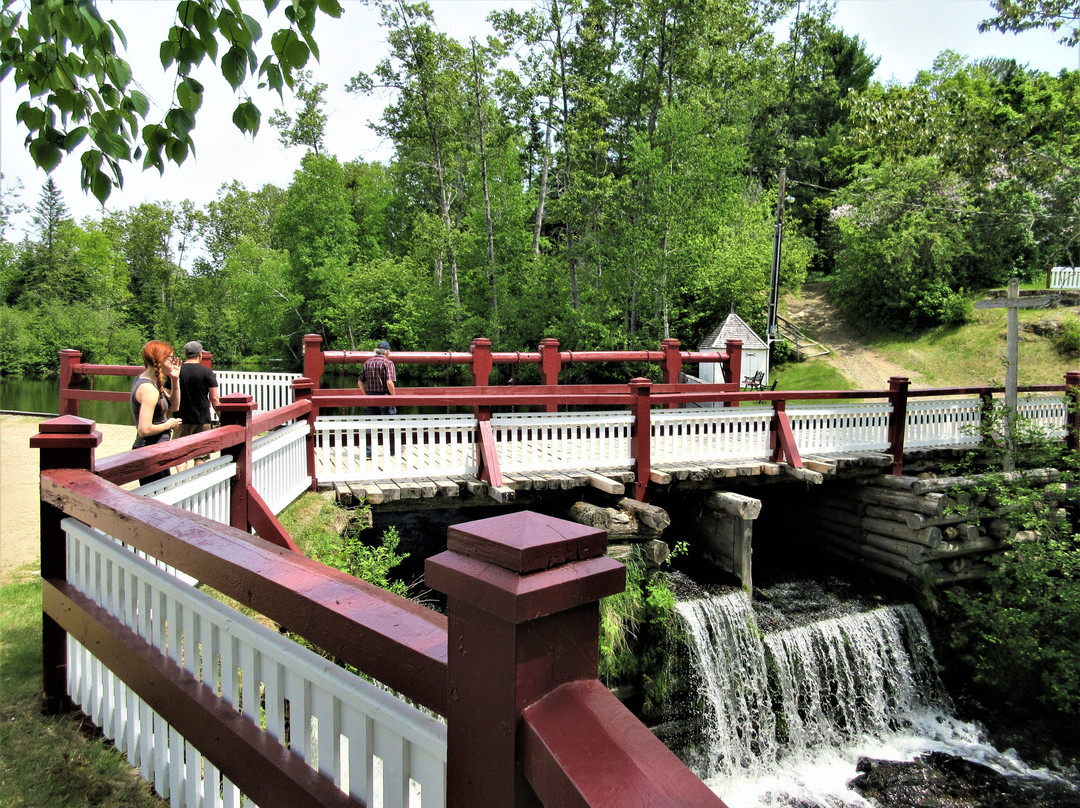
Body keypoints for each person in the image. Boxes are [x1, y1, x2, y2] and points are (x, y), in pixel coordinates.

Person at [131, 340, 183, 485]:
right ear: (160, 359)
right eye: (171, 358)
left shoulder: (150, 382)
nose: (174, 362)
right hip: (148, 452)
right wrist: (168, 424)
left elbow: (174, 407)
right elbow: (144, 429)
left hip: (156, 450)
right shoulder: (148, 389)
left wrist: (175, 380)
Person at [174, 340, 220, 465]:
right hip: (202, 418)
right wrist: (221, 416)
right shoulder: (207, 372)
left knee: (180, 455)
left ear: (185, 354)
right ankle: (196, 480)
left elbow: (168, 394)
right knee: (201, 454)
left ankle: (181, 481)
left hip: (180, 419)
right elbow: (215, 398)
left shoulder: (176, 372)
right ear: (200, 354)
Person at [359, 340, 397, 457]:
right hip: (385, 397)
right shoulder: (388, 363)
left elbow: (360, 382)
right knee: (390, 424)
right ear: (387, 351)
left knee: (370, 425)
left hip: (371, 397)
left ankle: (369, 452)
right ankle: (392, 450)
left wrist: (367, 394)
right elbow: (389, 382)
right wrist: (394, 397)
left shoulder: (367, 363)